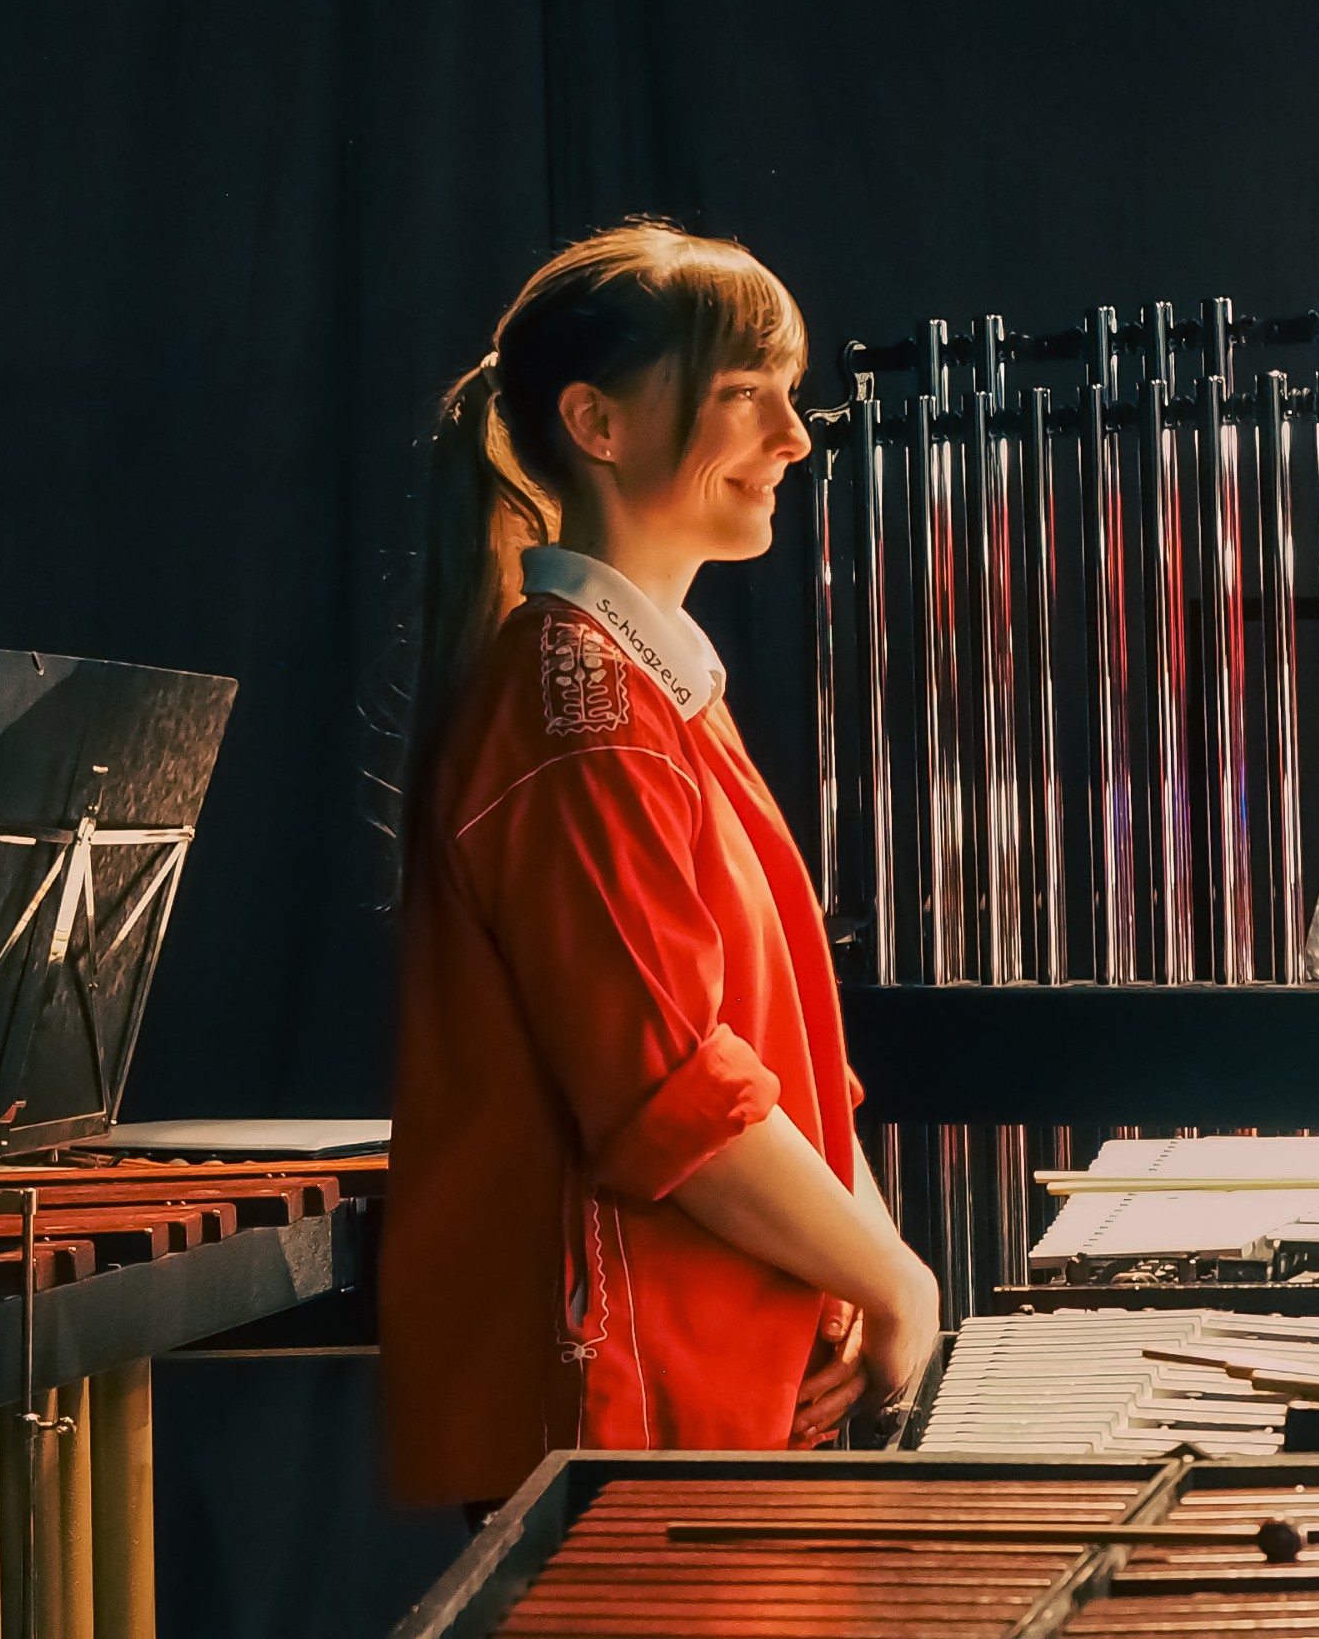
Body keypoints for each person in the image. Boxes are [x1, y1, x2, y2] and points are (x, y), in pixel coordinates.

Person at [383, 223, 935, 1513]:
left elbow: (782, 1063)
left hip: (715, 1392)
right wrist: (893, 1278)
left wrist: (864, 1264)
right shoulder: (581, 717)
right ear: (598, 422)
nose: (794, 439)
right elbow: (675, 1098)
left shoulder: (653, 692)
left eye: (788, 395)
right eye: (746, 394)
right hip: (633, 1408)